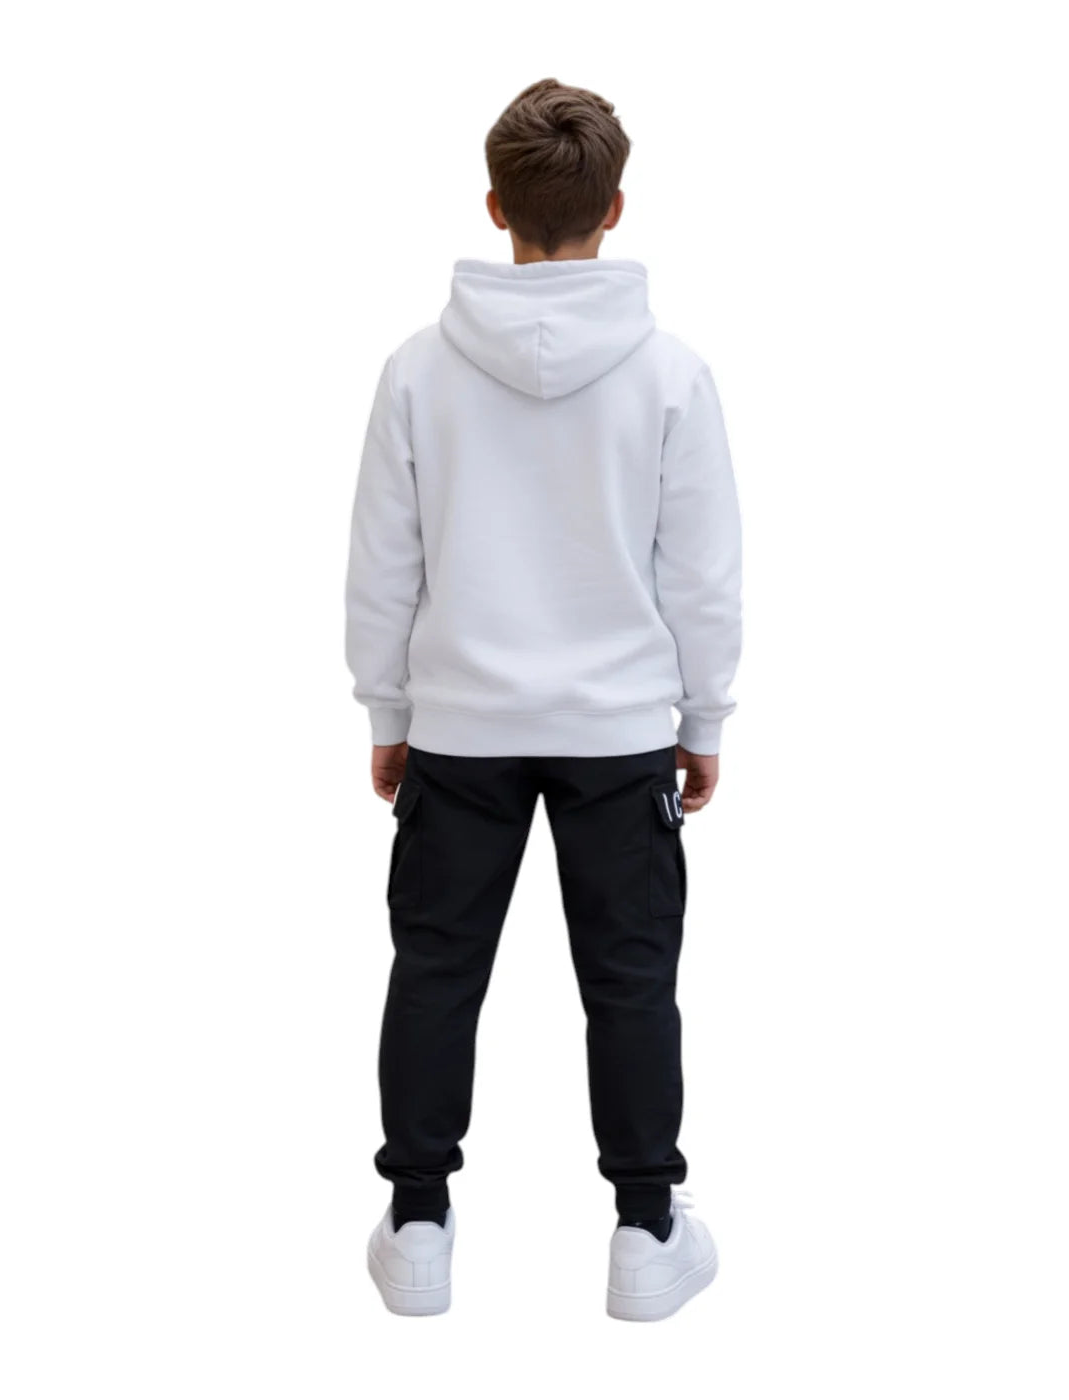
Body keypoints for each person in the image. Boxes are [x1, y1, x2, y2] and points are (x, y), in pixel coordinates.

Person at [346, 78, 742, 1321]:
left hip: (460, 726)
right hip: (618, 730)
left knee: (434, 969)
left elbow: (383, 561)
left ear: (492, 206)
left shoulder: (417, 372)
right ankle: (645, 1229)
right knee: (629, 979)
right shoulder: (670, 376)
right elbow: (701, 571)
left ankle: (417, 1221)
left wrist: (387, 712)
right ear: (614, 208)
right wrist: (702, 720)